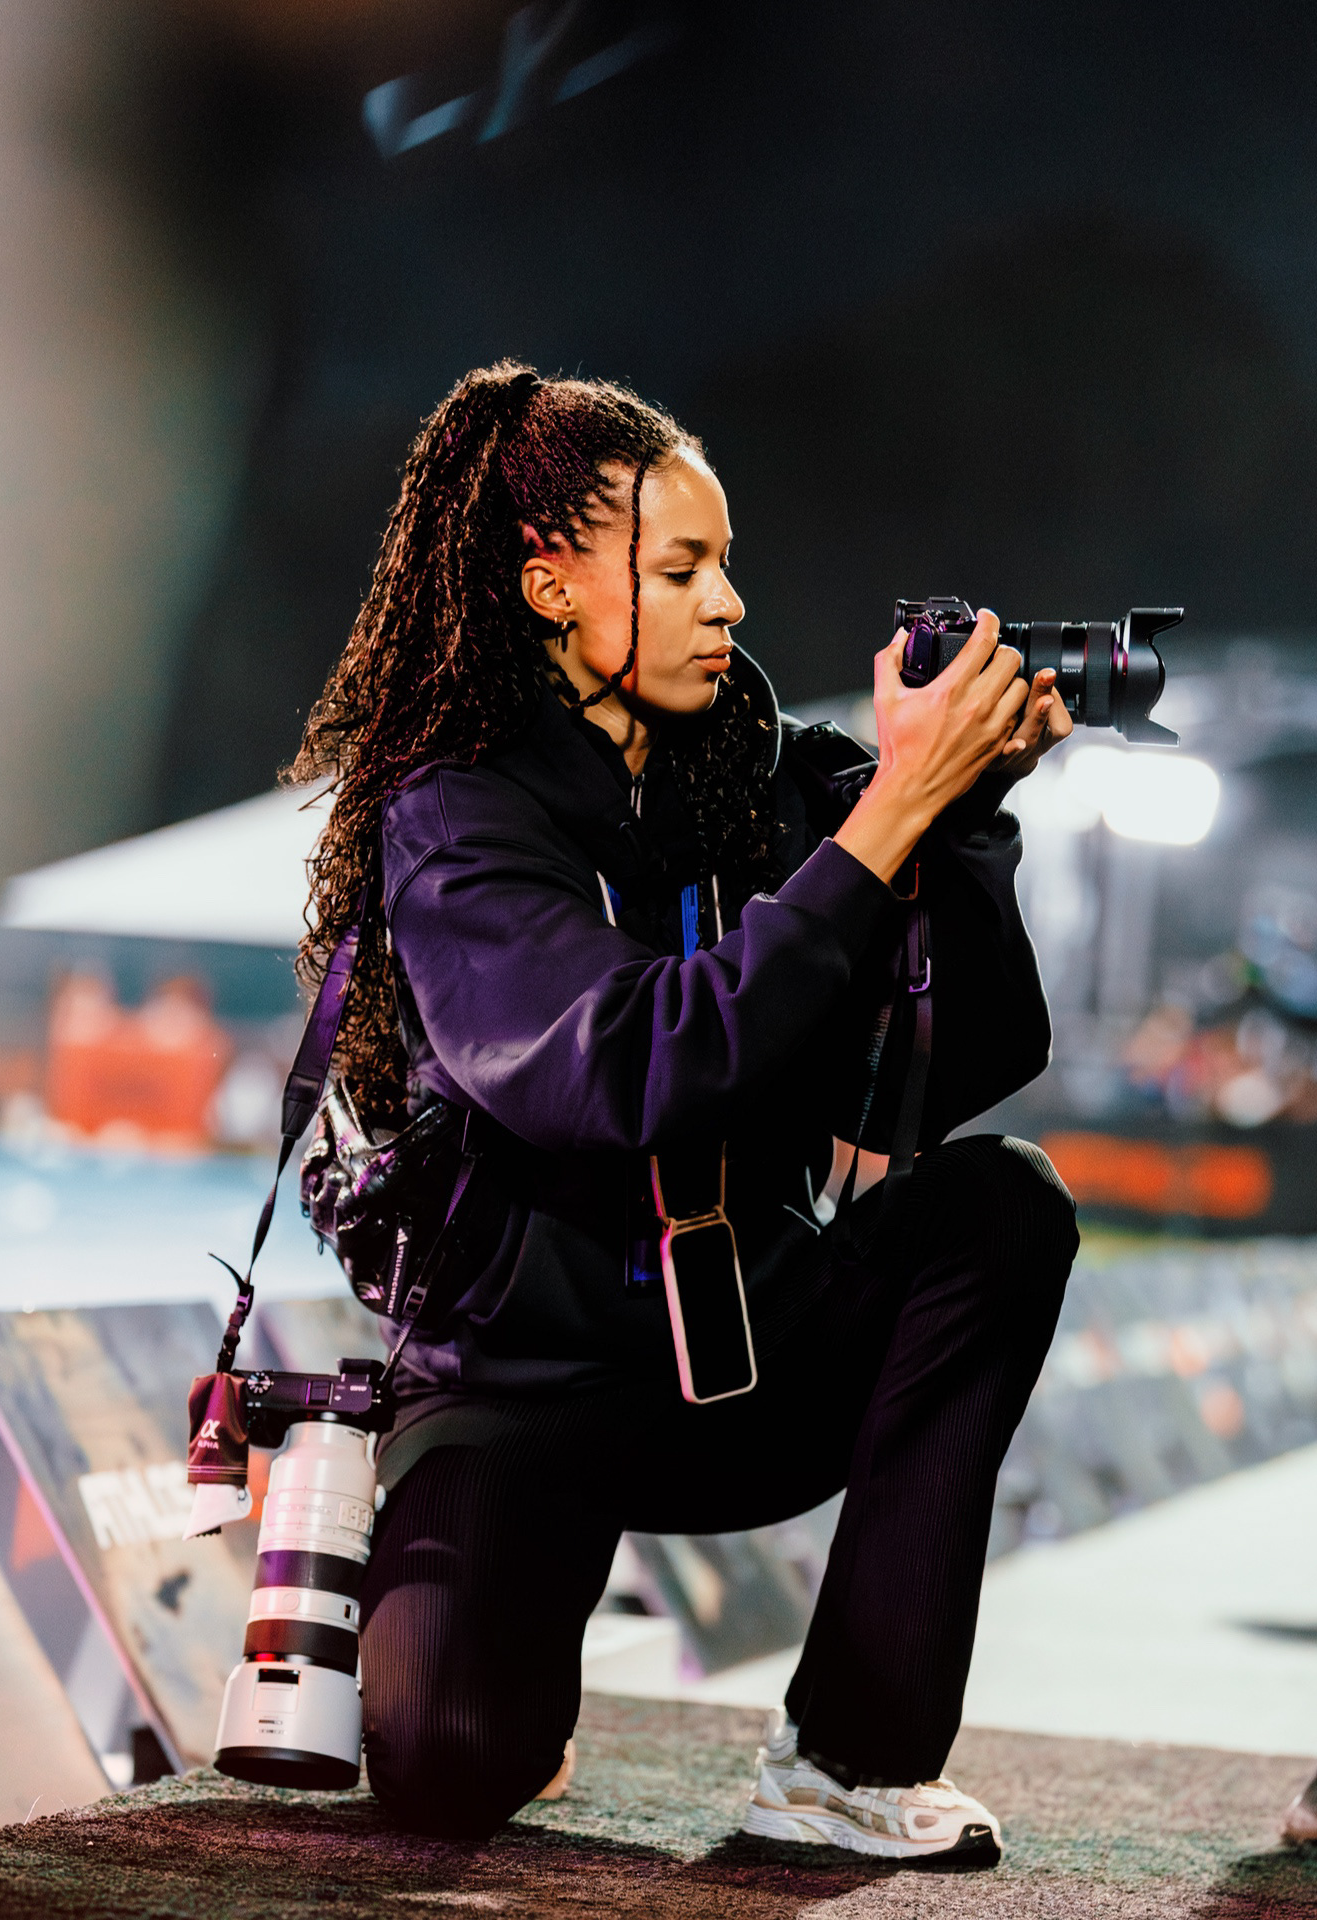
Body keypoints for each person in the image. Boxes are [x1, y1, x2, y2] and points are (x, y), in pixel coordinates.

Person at [288, 362, 1080, 1859]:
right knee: (449, 1762)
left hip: (741, 1364)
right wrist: (888, 821)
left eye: (726, 563)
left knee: (1003, 1202)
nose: (728, 602)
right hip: (521, 1386)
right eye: (680, 568)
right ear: (549, 585)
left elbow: (970, 1064)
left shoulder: (778, 786)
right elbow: (625, 1069)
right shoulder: (456, 809)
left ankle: (848, 1756)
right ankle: (505, 1632)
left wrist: (961, 814)